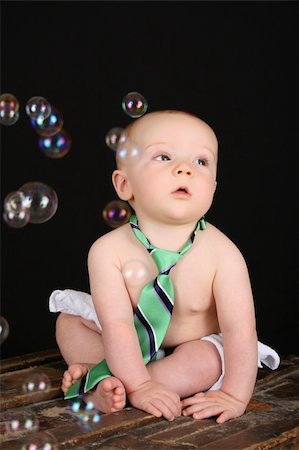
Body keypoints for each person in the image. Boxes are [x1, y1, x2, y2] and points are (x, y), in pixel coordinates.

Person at [50, 110, 280, 423]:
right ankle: (112, 378)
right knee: (69, 322)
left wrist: (233, 396)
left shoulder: (223, 254)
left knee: (206, 359)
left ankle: (106, 385)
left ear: (213, 187)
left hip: (189, 348)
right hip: (127, 340)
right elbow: (117, 324)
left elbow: (240, 329)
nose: (185, 169)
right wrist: (139, 383)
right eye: (163, 156)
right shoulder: (107, 251)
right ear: (124, 184)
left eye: (201, 162)